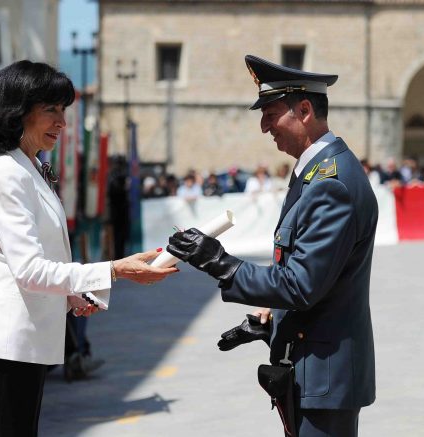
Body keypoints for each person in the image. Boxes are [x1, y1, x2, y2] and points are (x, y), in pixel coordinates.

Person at [0, 60, 177, 437]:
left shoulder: (28, 167)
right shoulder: (7, 172)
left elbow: (39, 258)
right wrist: (115, 269)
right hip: (4, 340)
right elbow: (28, 269)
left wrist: (72, 294)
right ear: (18, 111)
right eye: (51, 110)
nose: (62, 122)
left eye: (63, 110)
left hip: (24, 340)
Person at [168, 55, 377, 437]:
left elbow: (301, 284)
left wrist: (219, 262)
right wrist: (272, 320)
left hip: (324, 377)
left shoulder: (331, 184)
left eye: (271, 114)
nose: (264, 126)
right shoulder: (315, 174)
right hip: (313, 369)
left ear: (304, 110)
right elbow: (314, 277)